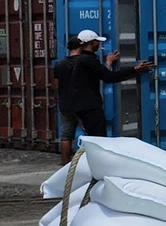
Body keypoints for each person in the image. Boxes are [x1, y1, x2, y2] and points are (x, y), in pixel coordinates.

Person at [52, 29, 153, 158]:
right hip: (88, 106)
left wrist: (108, 63)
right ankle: (97, 169)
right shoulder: (88, 60)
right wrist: (135, 70)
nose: (98, 45)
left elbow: (56, 85)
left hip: (66, 106)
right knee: (97, 139)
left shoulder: (60, 64)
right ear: (91, 43)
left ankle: (65, 168)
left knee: (66, 136)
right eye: (96, 42)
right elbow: (109, 77)